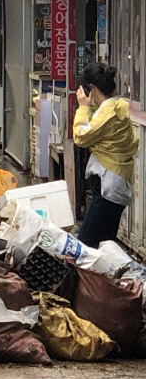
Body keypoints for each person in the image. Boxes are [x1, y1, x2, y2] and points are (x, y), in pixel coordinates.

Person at [73, 63, 139, 248]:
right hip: (118, 180)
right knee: (105, 243)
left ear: (91, 88)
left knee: (86, 244)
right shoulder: (119, 106)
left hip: (107, 183)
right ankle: (100, 277)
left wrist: (83, 108)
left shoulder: (107, 112)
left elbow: (80, 136)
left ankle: (84, 277)